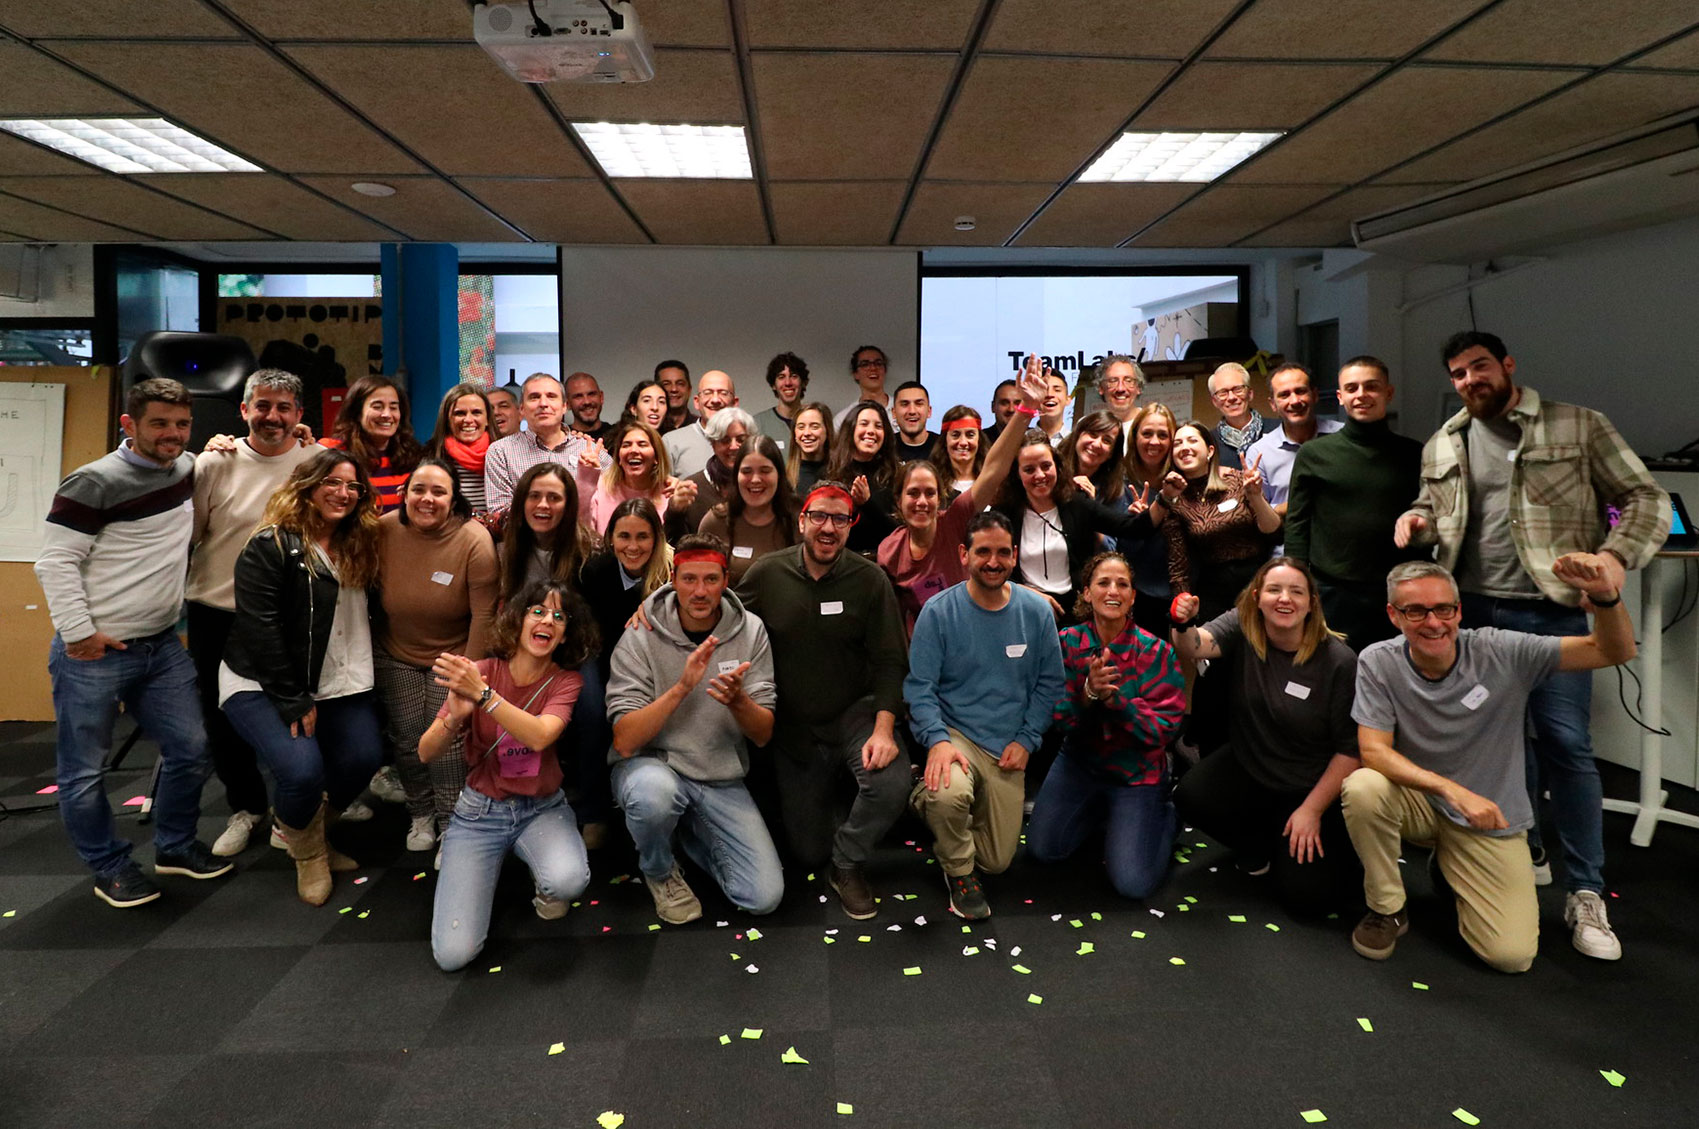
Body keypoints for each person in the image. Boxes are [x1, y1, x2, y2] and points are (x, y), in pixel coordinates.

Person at [1393, 330, 1670, 959]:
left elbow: (1645, 498)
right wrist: (1417, 519)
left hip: (1549, 612)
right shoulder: (1445, 440)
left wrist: (1614, 558)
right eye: (1459, 374)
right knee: (1491, 742)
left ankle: (1586, 891)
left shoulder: (1578, 425)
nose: (1470, 380)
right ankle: (1524, 847)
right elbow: (1435, 507)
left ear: (1507, 365)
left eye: (1480, 367)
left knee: (1566, 743)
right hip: (1471, 616)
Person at [1343, 557, 1636, 972]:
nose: (1433, 622)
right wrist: (1450, 790)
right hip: (1422, 802)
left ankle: (1450, 870)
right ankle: (1387, 907)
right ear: (1394, 615)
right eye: (1416, 611)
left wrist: (1606, 597)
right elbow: (1373, 751)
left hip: (1487, 815)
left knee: (1510, 956)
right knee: (1363, 788)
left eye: (1443, 609)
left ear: (1459, 610)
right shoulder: (1378, 661)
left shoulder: (1503, 650)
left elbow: (1613, 650)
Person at [35, 376, 231, 907]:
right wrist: (78, 634)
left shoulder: (187, 469)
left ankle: (175, 846)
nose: (173, 434)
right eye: (159, 423)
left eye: (182, 424)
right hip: (94, 652)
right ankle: (110, 866)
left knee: (192, 749)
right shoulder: (92, 482)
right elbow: (55, 562)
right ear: (129, 424)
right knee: (83, 772)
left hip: (161, 646)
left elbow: (227, 458)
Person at [736, 481, 910, 919]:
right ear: (802, 521)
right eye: (819, 516)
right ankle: (830, 811)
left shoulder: (870, 579)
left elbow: (891, 661)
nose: (828, 527)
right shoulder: (767, 573)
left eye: (839, 519)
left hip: (856, 715)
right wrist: (656, 607)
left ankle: (847, 861)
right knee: (807, 853)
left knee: (891, 784)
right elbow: (720, 615)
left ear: (851, 526)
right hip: (795, 729)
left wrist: (884, 730)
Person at [220, 449, 385, 906]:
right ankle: (310, 853)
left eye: (353, 486)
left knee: (363, 758)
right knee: (301, 772)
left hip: (340, 676)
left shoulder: (361, 542)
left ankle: (298, 829)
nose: (343, 493)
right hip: (263, 681)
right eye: (332, 482)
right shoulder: (271, 544)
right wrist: (292, 698)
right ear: (307, 486)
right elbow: (260, 628)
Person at [1170, 558, 1363, 914]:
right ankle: (1260, 843)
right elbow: (1194, 646)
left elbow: (1350, 752)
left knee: (1307, 900)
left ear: (1311, 603)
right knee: (1190, 796)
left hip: (1308, 785)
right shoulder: (1245, 626)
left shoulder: (1339, 661)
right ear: (1257, 597)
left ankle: (1294, 839)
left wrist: (1311, 810)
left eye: (1296, 591)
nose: (1284, 598)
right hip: (1252, 767)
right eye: (1274, 590)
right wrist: (1183, 622)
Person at [608, 534, 784, 923]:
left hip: (717, 775)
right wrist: (682, 688)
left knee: (762, 897)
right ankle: (659, 869)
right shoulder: (641, 632)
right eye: (689, 579)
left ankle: (685, 835)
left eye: (710, 579)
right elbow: (624, 741)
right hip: (653, 767)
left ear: (726, 581)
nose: (700, 591)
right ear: (673, 579)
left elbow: (762, 734)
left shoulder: (750, 631)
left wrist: (738, 701)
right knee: (655, 796)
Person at [424, 581, 594, 971]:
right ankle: (483, 865)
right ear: (517, 620)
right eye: (538, 611)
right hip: (480, 813)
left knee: (567, 880)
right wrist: (455, 718)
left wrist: (484, 697)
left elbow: (540, 736)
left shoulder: (566, 681)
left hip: (541, 809)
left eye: (559, 616)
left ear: (566, 634)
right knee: (453, 956)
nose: (547, 620)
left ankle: (542, 880)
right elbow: (425, 752)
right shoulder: (482, 672)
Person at [907, 510, 1065, 919]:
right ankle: (957, 865)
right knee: (948, 794)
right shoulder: (938, 612)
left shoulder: (1036, 612)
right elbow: (920, 688)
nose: (993, 562)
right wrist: (937, 740)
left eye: (1002, 553)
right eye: (982, 552)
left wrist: (1027, 740)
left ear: (1014, 555)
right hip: (955, 735)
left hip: (1008, 744)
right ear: (964, 554)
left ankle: (945, 816)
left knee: (996, 861)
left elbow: (1050, 684)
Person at [187, 369, 315, 857]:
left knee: (298, 712)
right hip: (218, 610)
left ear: (299, 415)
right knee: (221, 718)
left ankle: (298, 810)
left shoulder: (315, 462)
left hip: (291, 616)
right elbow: (193, 534)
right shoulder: (213, 463)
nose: (272, 416)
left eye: (284, 408)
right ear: (244, 410)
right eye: (262, 406)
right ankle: (246, 807)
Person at [1027, 552, 1185, 899]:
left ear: (1133, 596)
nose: (1113, 591)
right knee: (1043, 850)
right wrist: (1087, 694)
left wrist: (1118, 703)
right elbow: (1056, 717)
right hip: (1080, 763)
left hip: (1136, 774)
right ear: (1086, 592)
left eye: (1122, 584)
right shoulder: (1067, 643)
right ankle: (1106, 815)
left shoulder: (1157, 652)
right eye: (1103, 583)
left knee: (1132, 884)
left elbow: (1164, 730)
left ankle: (1166, 816)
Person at [375, 459, 500, 855]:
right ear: (404, 494)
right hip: (396, 653)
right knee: (407, 737)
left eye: (439, 492)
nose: (427, 499)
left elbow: (484, 614)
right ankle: (421, 812)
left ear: (453, 499)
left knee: (445, 738)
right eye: (419, 490)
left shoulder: (473, 539)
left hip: (453, 655)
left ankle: (452, 822)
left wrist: (468, 676)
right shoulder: (383, 530)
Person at [497, 460, 613, 847]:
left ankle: (593, 811)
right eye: (535, 496)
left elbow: (595, 616)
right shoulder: (507, 548)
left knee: (592, 713)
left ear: (569, 504)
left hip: (575, 648)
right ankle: (520, 806)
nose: (543, 505)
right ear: (522, 501)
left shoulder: (587, 547)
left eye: (554, 497)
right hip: (523, 649)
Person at [879, 369, 1042, 634]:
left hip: (973, 632)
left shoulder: (955, 521)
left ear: (940, 497)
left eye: (930, 493)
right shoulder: (890, 550)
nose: (922, 501)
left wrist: (1026, 410)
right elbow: (891, 616)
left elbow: (994, 469)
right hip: (924, 644)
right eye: (913, 493)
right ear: (898, 499)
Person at [1285, 357, 1422, 650]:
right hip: (1333, 593)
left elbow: (1427, 517)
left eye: (1371, 386)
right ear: (1340, 396)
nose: (1361, 395)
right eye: (1352, 388)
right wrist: (1296, 586)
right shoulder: (1314, 454)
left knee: (1394, 671)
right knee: (1336, 672)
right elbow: (1297, 525)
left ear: (1388, 392)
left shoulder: (1413, 454)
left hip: (1398, 591)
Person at [995, 425, 1163, 620]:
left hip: (1074, 614)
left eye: (1046, 466)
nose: (1040, 475)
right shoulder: (1004, 515)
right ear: (1017, 474)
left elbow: (1133, 528)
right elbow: (994, 572)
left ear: (1057, 466)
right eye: (1029, 469)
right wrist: (1030, 596)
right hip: (1023, 609)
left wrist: (1164, 498)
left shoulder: (1077, 504)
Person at [1163, 420, 1280, 622]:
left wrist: (1255, 496)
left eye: (1192, 440)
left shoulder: (1237, 479)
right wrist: (1183, 606)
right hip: (1214, 593)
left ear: (1210, 451)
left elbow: (1274, 532)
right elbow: (1178, 566)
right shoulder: (1175, 499)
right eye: (1178, 444)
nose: (1185, 448)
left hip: (1257, 582)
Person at [484, 373, 608, 522]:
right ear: (522, 409)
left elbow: (612, 506)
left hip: (581, 536)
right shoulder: (500, 452)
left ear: (564, 406)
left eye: (551, 396)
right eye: (534, 397)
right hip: (525, 537)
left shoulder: (591, 451)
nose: (543, 403)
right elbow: (499, 515)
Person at [580, 499, 673, 685]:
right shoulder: (595, 573)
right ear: (611, 538)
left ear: (656, 539)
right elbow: (594, 641)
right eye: (624, 536)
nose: (633, 547)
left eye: (642, 537)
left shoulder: (671, 575)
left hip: (658, 662)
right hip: (607, 660)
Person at [1243, 362, 1342, 520]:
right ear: (1273, 404)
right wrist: (1305, 503)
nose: (1295, 401)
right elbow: (1259, 514)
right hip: (1285, 534)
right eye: (1284, 395)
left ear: (1315, 395)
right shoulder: (1259, 453)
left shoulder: (1343, 436)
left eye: (1301, 391)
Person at [1122, 403, 1186, 640]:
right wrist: (1136, 522)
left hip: (1183, 595)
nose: (1154, 442)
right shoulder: (1119, 481)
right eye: (1147, 433)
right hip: (1135, 597)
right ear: (1135, 436)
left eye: (1163, 435)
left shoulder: (1184, 478)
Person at [700, 436, 799, 585]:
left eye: (765, 471)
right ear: (736, 476)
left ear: (779, 475)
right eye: (746, 471)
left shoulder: (800, 520)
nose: (755, 479)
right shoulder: (716, 521)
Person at [320, 374, 421, 514]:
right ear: (357, 413)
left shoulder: (415, 456)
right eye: (377, 407)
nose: (387, 414)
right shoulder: (329, 450)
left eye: (393, 407)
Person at [583, 418, 696, 537]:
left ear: (656, 457)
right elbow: (584, 531)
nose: (633, 450)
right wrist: (585, 476)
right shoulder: (601, 488)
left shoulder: (670, 492)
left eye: (642, 444)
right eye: (626, 445)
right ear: (619, 458)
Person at [826, 401, 900, 555]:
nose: (871, 431)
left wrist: (867, 504)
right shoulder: (830, 472)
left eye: (878, 426)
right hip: (842, 561)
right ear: (851, 429)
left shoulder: (895, 474)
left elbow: (899, 534)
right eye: (864, 424)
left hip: (884, 561)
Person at [678, 406, 754, 533]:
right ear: (713, 444)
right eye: (725, 440)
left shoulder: (761, 483)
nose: (734, 446)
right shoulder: (693, 487)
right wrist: (674, 511)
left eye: (741, 440)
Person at [425, 381, 497, 514]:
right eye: (460, 413)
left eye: (476, 412)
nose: (468, 420)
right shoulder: (430, 455)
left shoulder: (504, 454)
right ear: (447, 420)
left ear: (487, 419)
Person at [664, 370, 738, 479]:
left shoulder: (747, 443)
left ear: (735, 403)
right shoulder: (671, 442)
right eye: (707, 393)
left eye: (723, 393)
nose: (715, 400)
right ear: (696, 402)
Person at [1207, 362, 1272, 470]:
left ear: (1250, 394)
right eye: (1223, 393)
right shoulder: (1208, 441)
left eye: (1238, 389)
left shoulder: (1278, 430)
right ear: (1215, 401)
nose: (1231, 397)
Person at [1057, 409, 1127, 503]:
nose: (1096, 444)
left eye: (1106, 441)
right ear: (1078, 435)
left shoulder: (1115, 492)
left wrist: (1091, 505)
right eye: (1093, 434)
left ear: (1111, 453)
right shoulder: (1052, 469)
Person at [755, 351, 809, 451]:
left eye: (794, 376)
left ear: (803, 383)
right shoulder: (758, 424)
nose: (788, 383)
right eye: (781, 377)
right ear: (773, 385)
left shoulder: (815, 421)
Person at [832, 345, 895, 430]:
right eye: (865, 364)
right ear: (855, 374)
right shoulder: (843, 418)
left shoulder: (903, 410)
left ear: (885, 370)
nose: (873, 368)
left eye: (878, 363)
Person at [932, 406, 985, 496]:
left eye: (970, 435)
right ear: (945, 440)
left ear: (979, 439)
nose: (963, 442)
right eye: (955, 435)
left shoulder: (992, 482)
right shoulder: (932, 482)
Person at [785, 401, 833, 495]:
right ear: (794, 434)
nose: (806, 433)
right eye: (801, 427)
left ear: (827, 431)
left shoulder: (841, 473)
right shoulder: (784, 478)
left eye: (814, 427)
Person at [1096, 354, 1144, 446]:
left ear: (1138, 388)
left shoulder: (1151, 424)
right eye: (1113, 381)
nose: (1120, 388)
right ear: (1101, 388)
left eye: (1128, 380)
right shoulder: (1088, 426)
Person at [892, 380, 938, 460]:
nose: (912, 411)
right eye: (904, 404)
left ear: (929, 411)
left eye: (919, 404)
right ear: (894, 412)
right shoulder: (884, 448)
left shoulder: (943, 447)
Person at [565, 371, 613, 443]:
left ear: (601, 397)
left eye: (591, 394)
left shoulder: (618, 436)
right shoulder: (563, 440)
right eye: (578, 396)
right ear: (567, 404)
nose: (587, 402)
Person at [655, 359, 695, 434]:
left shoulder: (702, 427)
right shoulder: (648, 429)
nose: (674, 389)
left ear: (689, 390)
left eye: (680, 383)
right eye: (666, 384)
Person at [1036, 368, 1069, 447]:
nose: (1049, 394)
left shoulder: (1076, 441)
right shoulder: (1021, 440)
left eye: (1057, 390)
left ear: (1068, 399)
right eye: (1044, 389)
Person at [981, 378, 1021, 444]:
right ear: (993, 407)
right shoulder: (980, 440)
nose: (1011, 409)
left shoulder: (1034, 440)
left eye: (1017, 404)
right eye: (1004, 403)